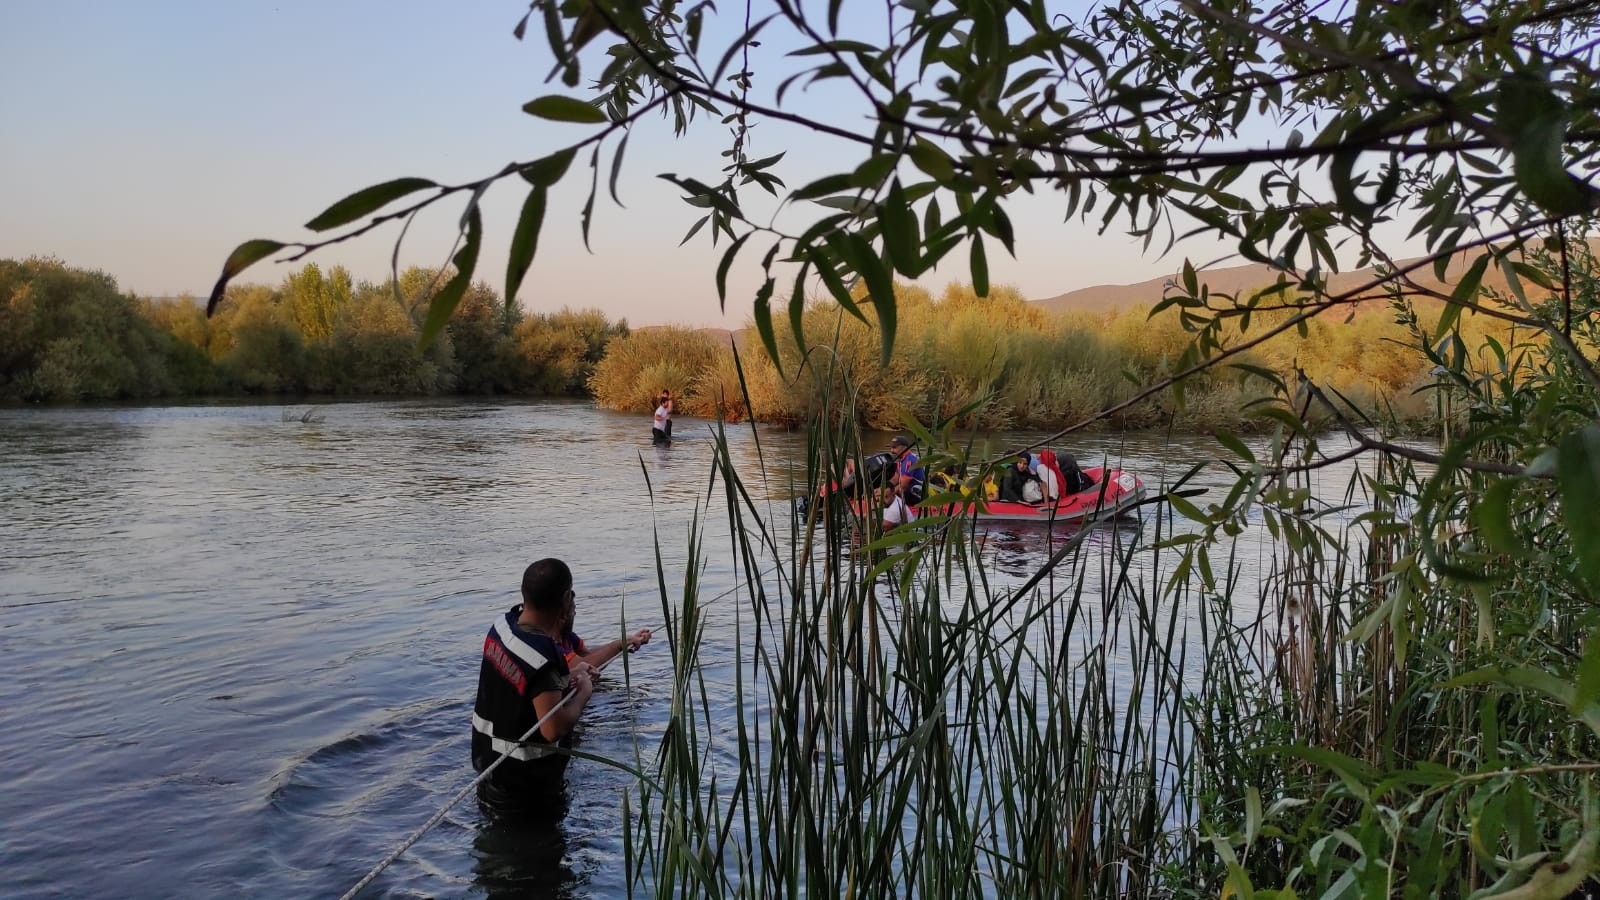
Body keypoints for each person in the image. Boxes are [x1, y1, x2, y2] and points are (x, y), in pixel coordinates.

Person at [472, 558, 594, 813]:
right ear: (563, 601)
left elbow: (520, 691)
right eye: (572, 595)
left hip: (489, 772)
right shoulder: (542, 657)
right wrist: (584, 691)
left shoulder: (502, 627)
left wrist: (568, 679)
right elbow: (553, 727)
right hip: (525, 795)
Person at [554, 588, 650, 669]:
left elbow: (587, 655)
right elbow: (585, 666)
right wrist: (617, 645)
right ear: (563, 615)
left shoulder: (567, 636)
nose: (575, 614)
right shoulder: (552, 645)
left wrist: (626, 642)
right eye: (573, 611)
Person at [888, 435, 925, 505]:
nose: (891, 451)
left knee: (900, 490)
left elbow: (903, 485)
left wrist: (886, 495)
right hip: (907, 489)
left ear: (904, 448)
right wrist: (882, 489)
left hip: (916, 493)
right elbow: (895, 479)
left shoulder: (910, 460)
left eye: (894, 448)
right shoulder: (901, 459)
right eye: (891, 447)